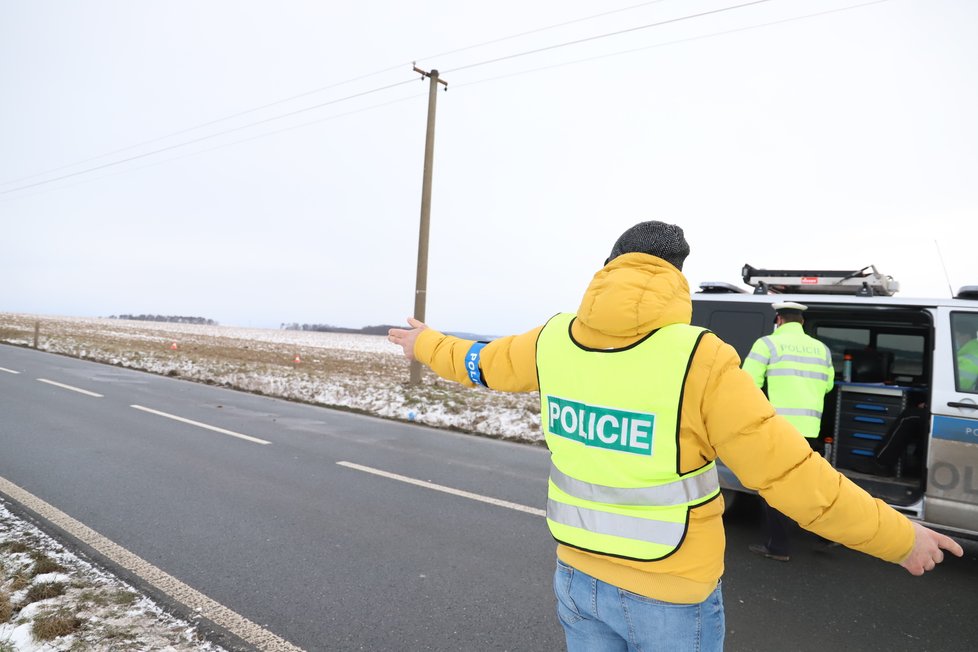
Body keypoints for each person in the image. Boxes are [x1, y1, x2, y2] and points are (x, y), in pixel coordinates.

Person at [388, 220, 962, 652]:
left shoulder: (552, 340)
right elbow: (791, 477)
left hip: (577, 576)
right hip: (671, 592)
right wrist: (899, 538)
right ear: (676, 276)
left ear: (608, 266)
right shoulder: (701, 358)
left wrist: (424, 343)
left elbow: (477, 362)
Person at [741, 301, 834, 562]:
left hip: (779, 429)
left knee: (774, 487)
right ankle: (828, 532)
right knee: (808, 483)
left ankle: (777, 546)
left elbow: (747, 384)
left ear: (779, 320)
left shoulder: (768, 344)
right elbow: (828, 386)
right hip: (809, 431)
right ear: (802, 323)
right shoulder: (822, 349)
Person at [953, 321, 978, 391]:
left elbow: (956, 385)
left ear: (966, 337)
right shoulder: (970, 351)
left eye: (955, 336)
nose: (952, 339)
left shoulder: (970, 358)